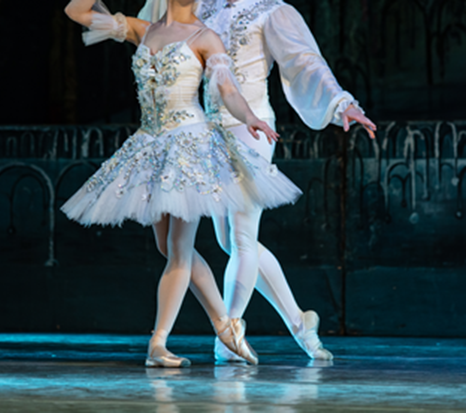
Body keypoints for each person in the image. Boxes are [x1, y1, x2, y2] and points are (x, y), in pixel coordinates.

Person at [62, 0, 303, 367]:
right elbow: (76, 11)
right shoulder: (144, 30)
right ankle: (225, 325)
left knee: (178, 248)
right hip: (151, 144)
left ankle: (158, 343)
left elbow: (229, 91)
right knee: (168, 246)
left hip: (190, 147)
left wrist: (250, 117)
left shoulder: (206, 37)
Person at [138, 0, 377, 362]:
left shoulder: (272, 11)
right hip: (209, 131)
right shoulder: (203, 7)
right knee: (227, 241)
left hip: (252, 128)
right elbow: (156, 28)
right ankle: (300, 322)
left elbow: (304, 62)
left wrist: (341, 104)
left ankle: (229, 331)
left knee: (242, 235)